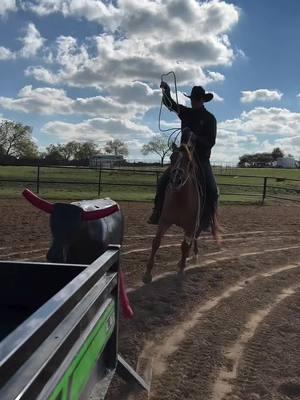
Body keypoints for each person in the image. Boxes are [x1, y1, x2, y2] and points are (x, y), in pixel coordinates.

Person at [148, 82, 219, 230]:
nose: (194, 101)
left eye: (196, 99)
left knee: (212, 190)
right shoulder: (185, 112)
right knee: (163, 181)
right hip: (183, 158)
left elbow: (210, 142)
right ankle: (157, 212)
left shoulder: (210, 118)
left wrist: (195, 137)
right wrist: (166, 91)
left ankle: (207, 220)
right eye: (192, 99)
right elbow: (170, 104)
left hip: (201, 159)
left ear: (202, 100)